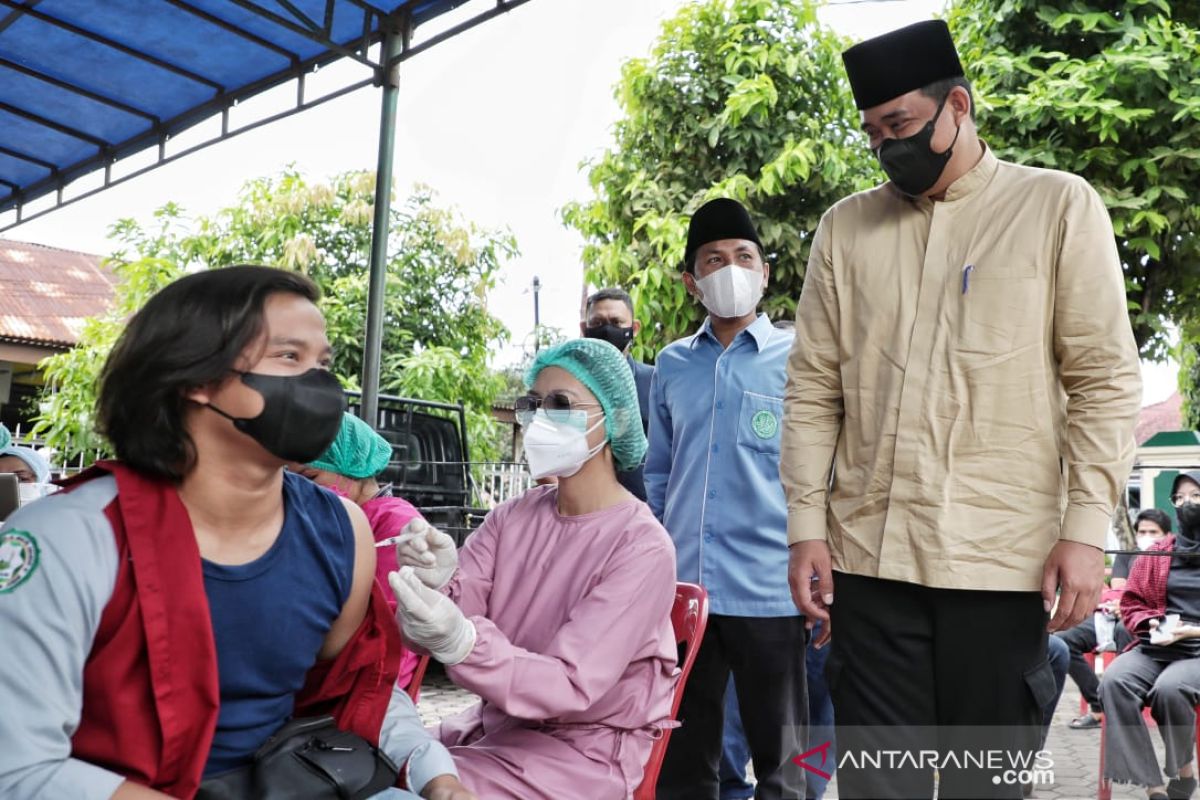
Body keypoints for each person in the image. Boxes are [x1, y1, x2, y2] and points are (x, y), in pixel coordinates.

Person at [782, 20, 1142, 799]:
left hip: (1002, 564)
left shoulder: (1056, 208)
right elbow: (813, 388)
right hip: (869, 564)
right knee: (882, 788)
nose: (887, 147)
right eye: (873, 134)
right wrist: (806, 525)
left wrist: (1084, 530)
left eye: (902, 125)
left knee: (987, 788)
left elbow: (1105, 379)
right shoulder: (845, 229)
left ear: (958, 106)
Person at [0, 266, 473, 800]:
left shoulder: (343, 533)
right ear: (196, 379)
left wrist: (432, 769)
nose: (320, 385)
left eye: (322, 364)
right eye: (290, 357)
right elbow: (18, 767)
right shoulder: (69, 536)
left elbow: (347, 695)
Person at [388, 337, 679, 799]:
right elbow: (451, 618)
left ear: (617, 418)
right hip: (497, 728)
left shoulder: (641, 546)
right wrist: (437, 586)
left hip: (582, 755)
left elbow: (569, 683)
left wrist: (462, 642)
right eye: (534, 404)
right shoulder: (512, 517)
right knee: (364, 756)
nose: (543, 418)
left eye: (561, 403)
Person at [647, 197, 806, 800]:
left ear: (765, 272)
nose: (731, 269)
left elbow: (824, 472)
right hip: (688, 590)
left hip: (772, 586)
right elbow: (660, 471)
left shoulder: (798, 360)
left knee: (784, 759)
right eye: (714, 260)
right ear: (693, 282)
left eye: (744, 257)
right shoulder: (673, 365)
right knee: (684, 754)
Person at [293, 411, 426, 689]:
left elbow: (388, 633)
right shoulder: (337, 519)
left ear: (351, 467)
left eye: (310, 477)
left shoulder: (397, 525)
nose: (301, 492)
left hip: (373, 690)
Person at [1101, 472, 1200, 800]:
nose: (1187, 504)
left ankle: (1184, 772)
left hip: (1197, 649)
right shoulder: (1158, 552)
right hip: (1156, 645)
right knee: (1114, 681)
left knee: (1170, 690)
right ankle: (1153, 786)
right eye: (1180, 498)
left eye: (1196, 496)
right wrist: (1153, 624)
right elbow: (1131, 602)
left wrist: (1194, 629)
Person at [1062, 508, 1171, 730]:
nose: (1147, 536)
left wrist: (1133, 607)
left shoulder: (1173, 558)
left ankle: (1128, 706)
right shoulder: (1128, 555)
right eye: (1142, 531)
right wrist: (1125, 605)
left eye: (1153, 531)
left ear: (1167, 534)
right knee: (1063, 641)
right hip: (1114, 616)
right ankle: (1099, 705)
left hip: (1154, 621)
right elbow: (1121, 590)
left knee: (1125, 631)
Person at [581, 287, 654, 500]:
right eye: (597, 323)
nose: (606, 330)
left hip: (643, 514)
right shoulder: (569, 385)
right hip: (584, 511)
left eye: (616, 322)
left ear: (635, 328)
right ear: (584, 329)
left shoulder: (655, 383)